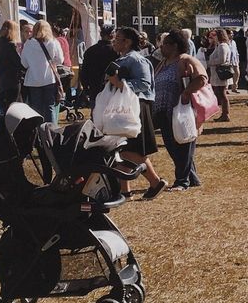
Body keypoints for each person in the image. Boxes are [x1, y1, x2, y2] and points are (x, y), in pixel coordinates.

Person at [105, 27, 166, 200]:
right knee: (124, 148)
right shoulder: (124, 58)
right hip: (126, 106)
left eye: (118, 38)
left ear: (128, 42)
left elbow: (144, 83)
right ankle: (125, 191)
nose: (114, 41)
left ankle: (155, 182)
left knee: (132, 149)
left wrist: (119, 83)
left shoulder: (137, 59)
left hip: (136, 106)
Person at [152, 29, 208, 191]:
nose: (161, 47)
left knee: (183, 145)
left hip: (181, 111)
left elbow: (202, 78)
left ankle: (182, 182)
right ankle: (192, 178)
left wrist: (186, 92)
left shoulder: (185, 60)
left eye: (165, 44)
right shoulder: (163, 63)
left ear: (175, 46)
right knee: (172, 147)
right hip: (163, 112)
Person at [20, 20, 65, 123]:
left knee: (36, 108)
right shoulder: (53, 42)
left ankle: (38, 130)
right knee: (50, 107)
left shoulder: (28, 43)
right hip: (49, 79)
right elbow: (60, 60)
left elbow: (24, 63)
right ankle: (51, 130)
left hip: (33, 81)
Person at [207, 29, 237, 122]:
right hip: (218, 73)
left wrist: (210, 62)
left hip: (220, 73)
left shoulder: (222, 46)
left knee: (222, 94)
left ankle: (225, 114)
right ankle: (224, 113)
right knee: (220, 93)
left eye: (215, 35)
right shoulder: (219, 45)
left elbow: (222, 59)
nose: (213, 37)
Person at [81, 24, 117, 102]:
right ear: (112, 35)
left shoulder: (90, 51)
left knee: (96, 108)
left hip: (94, 87)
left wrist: (85, 87)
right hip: (112, 87)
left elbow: (84, 71)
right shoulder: (115, 52)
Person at [0, 20, 22, 111]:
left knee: (7, 106)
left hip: (2, 79)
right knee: (15, 106)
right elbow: (18, 63)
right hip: (12, 79)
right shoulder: (11, 46)